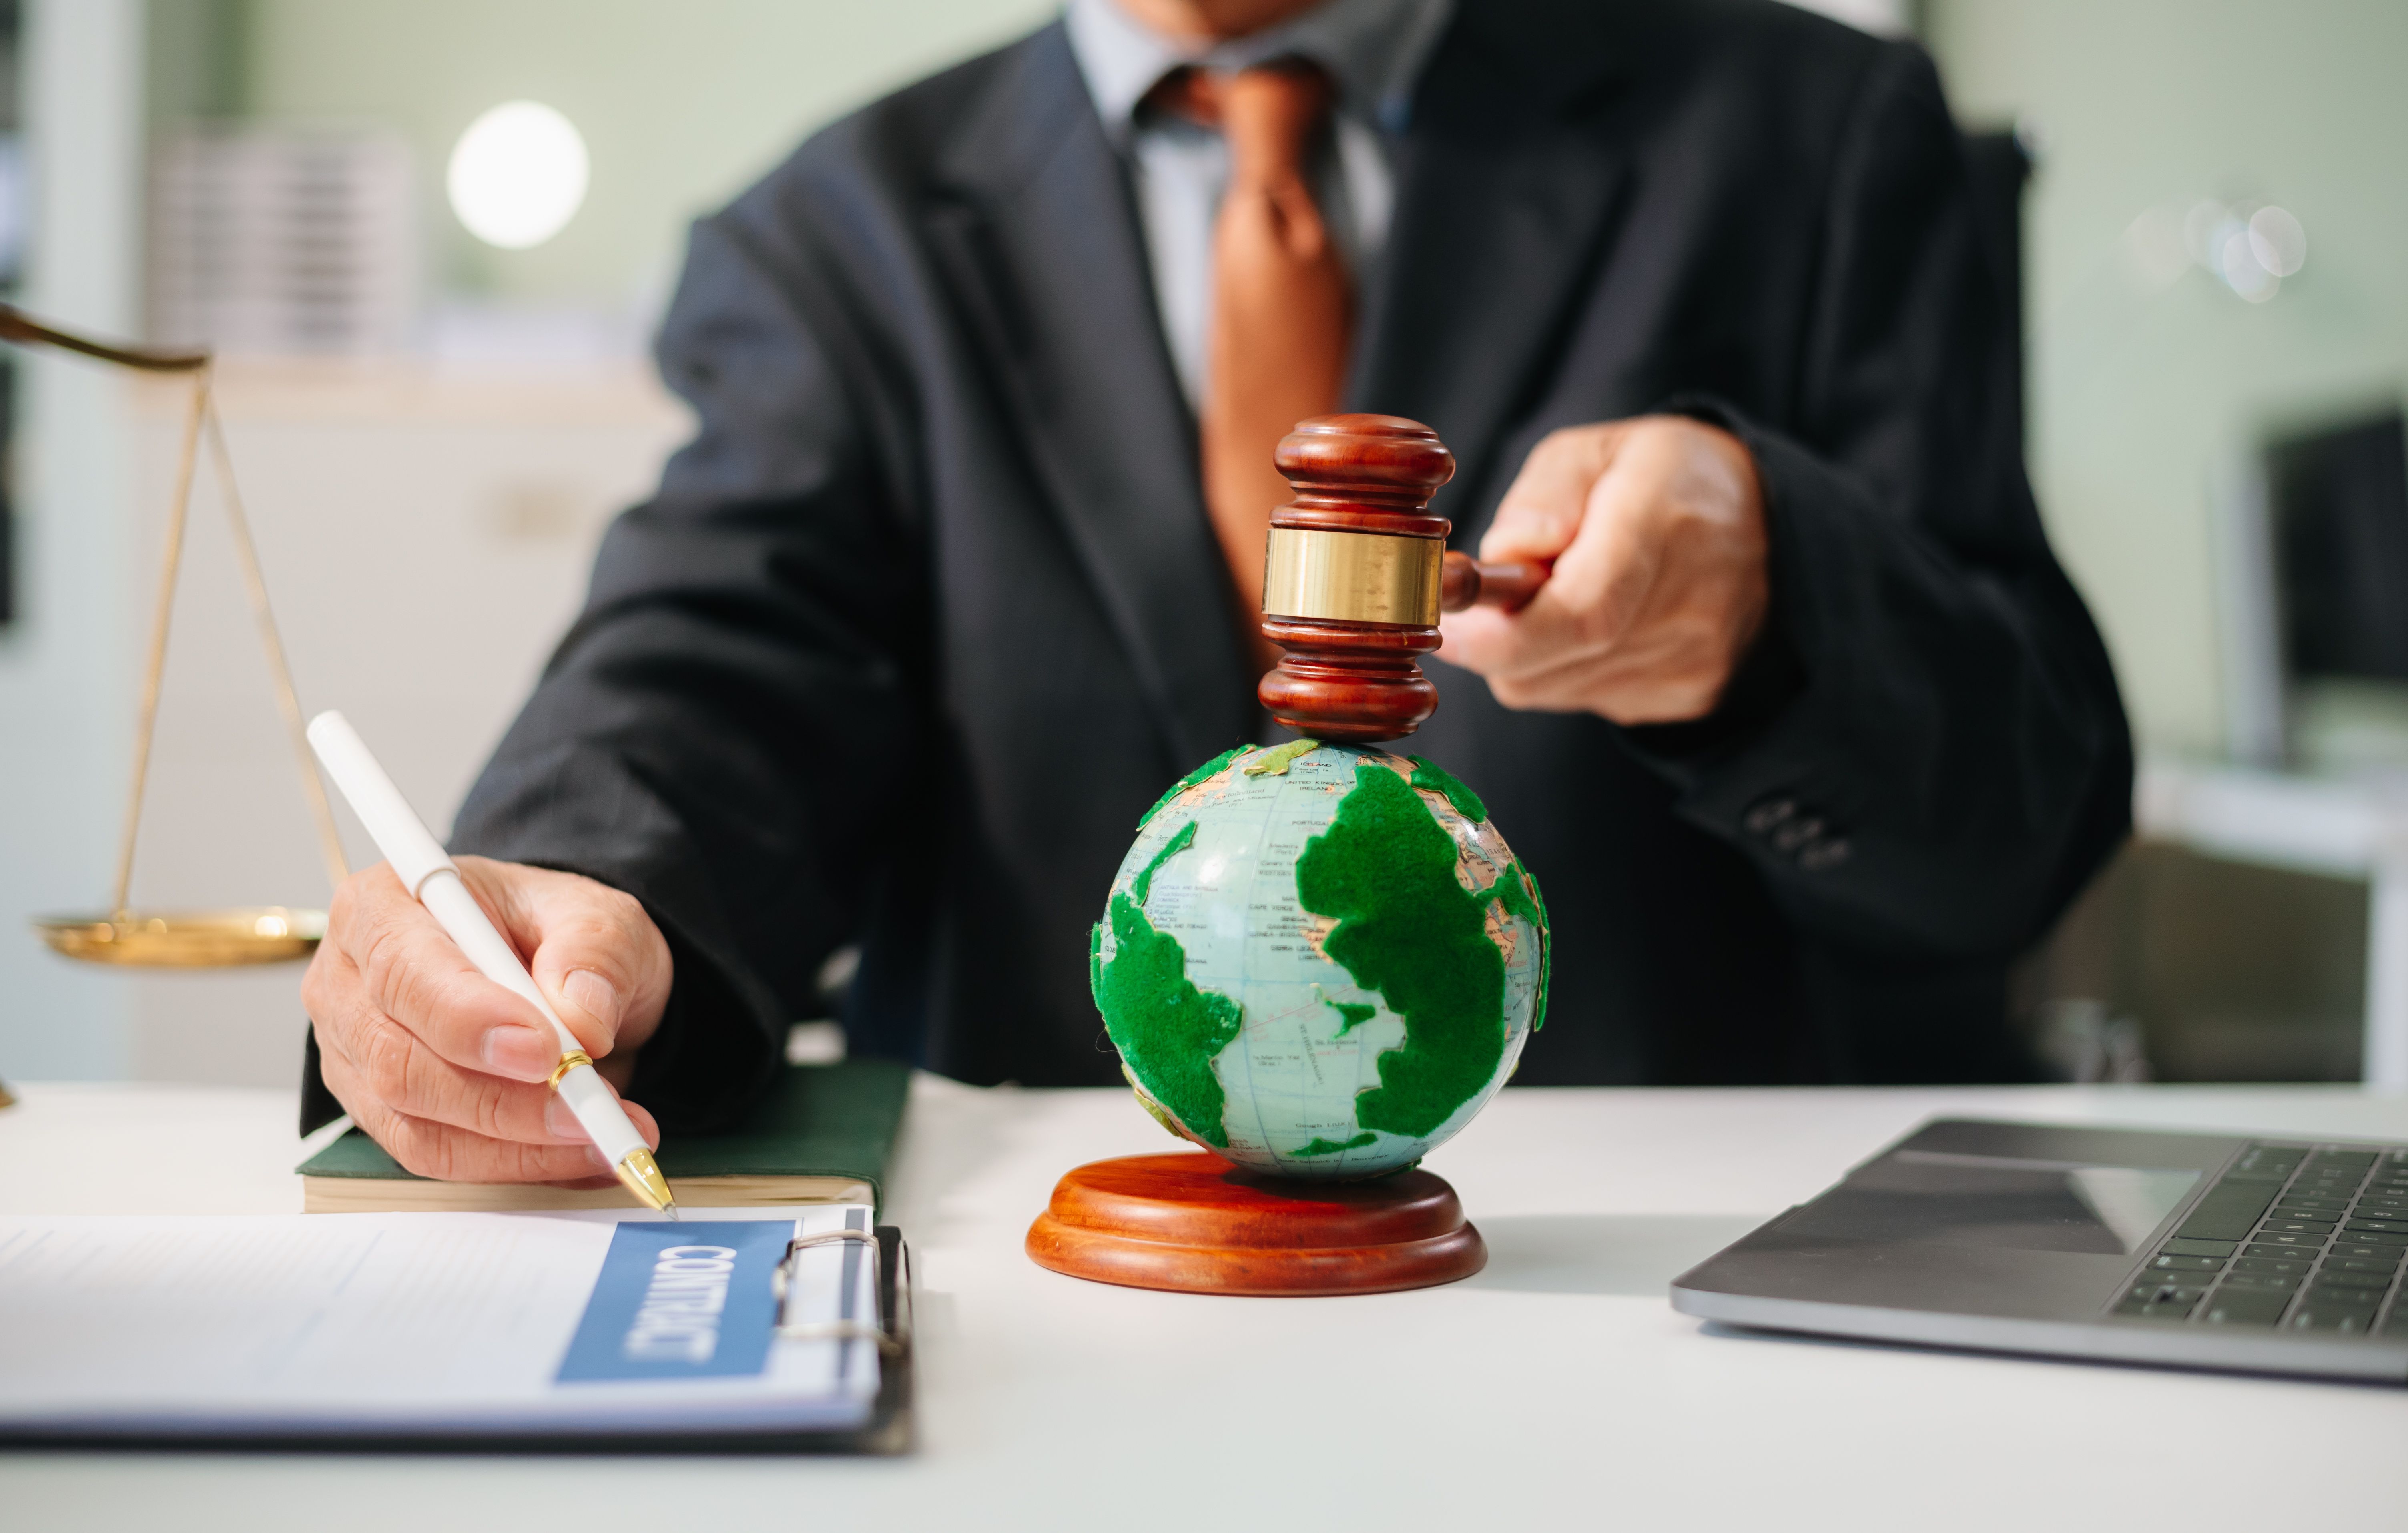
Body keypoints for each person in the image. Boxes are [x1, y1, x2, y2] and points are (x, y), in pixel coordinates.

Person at [299, 0, 2131, 1182]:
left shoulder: (1823, 136)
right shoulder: (833, 234)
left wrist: (1779, 606)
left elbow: (2030, 825)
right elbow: (710, 657)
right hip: (1052, 1357)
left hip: (1672, 1316)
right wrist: (570, 897)